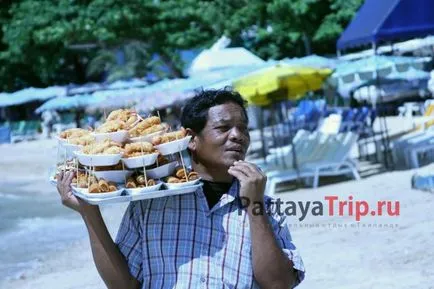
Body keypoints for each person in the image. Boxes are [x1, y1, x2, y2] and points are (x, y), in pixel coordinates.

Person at [56, 88, 305, 289]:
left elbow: (279, 284)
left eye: (243, 128)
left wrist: (254, 206)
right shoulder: (152, 202)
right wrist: (90, 214)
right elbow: (124, 285)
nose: (238, 135)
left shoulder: (262, 205)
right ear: (191, 139)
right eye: (223, 128)